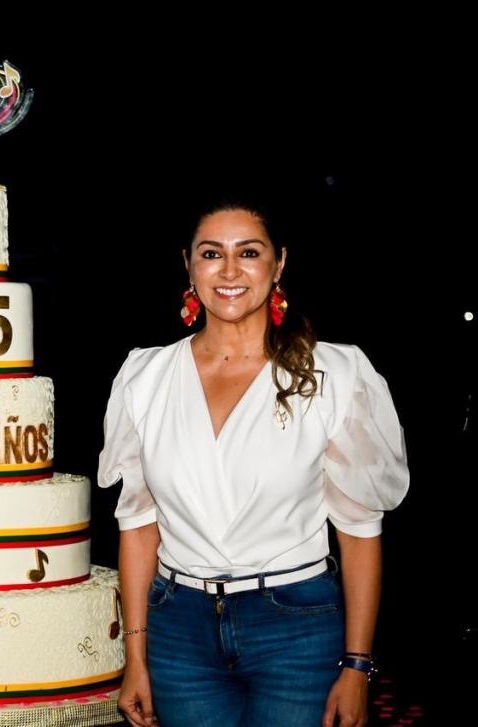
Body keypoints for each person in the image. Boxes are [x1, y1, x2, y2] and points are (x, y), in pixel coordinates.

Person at [99, 201, 409, 727]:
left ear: (278, 264)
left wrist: (357, 665)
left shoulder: (331, 373)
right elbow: (137, 526)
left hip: (297, 626)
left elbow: (359, 533)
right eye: (211, 254)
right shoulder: (145, 376)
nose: (229, 271)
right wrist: (135, 658)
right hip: (179, 629)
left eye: (248, 252)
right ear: (189, 266)